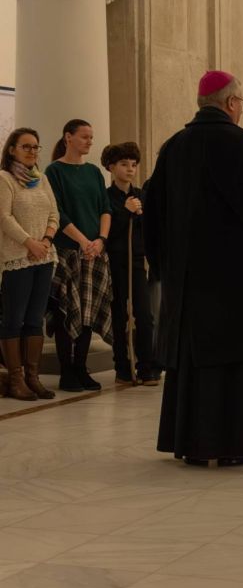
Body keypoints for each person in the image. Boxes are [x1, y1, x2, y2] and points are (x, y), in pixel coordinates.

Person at [144, 70, 243, 466]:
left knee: (196, 365)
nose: (241, 110)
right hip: (239, 285)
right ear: (230, 103)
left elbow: (152, 214)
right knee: (238, 360)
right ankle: (239, 443)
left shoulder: (173, 147)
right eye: (241, 103)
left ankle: (195, 443)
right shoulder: (241, 143)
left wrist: (164, 266)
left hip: (189, 286)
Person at [45, 119, 112, 392]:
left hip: (94, 252)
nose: (89, 142)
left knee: (87, 313)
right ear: (68, 137)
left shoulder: (94, 172)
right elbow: (57, 212)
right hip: (68, 251)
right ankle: (67, 371)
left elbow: (105, 208)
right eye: (84, 137)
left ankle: (82, 368)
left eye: (91, 137)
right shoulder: (54, 171)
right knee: (66, 311)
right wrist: (83, 241)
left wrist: (101, 240)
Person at [0, 128, 59, 400]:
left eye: (36, 147)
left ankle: (32, 377)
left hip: (44, 256)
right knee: (14, 319)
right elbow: (4, 217)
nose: (32, 151)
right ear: (12, 149)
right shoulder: (5, 178)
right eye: (26, 146)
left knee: (35, 319)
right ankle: (15, 380)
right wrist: (29, 243)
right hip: (17, 257)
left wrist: (46, 240)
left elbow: (54, 214)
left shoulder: (41, 178)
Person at [101, 141, 159, 385]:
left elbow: (150, 229)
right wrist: (125, 212)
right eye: (124, 164)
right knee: (118, 316)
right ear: (111, 167)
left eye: (133, 165)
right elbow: (108, 233)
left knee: (144, 315)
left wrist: (140, 214)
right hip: (115, 261)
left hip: (136, 261)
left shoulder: (141, 196)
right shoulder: (106, 197)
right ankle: (122, 367)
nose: (130, 169)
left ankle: (146, 366)